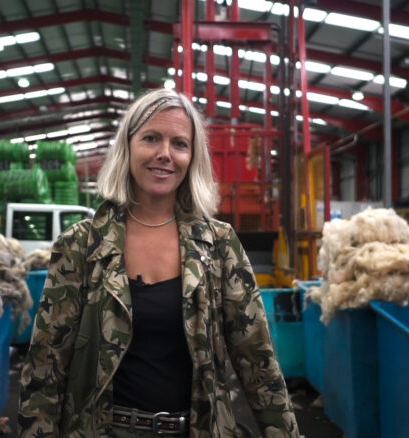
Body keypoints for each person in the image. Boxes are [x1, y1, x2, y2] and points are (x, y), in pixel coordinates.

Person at [18, 88, 300, 437]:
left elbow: (257, 359)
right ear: (128, 147)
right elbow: (46, 365)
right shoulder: (81, 245)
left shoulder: (219, 245)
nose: (165, 154)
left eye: (179, 144)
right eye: (151, 138)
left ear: (192, 156)